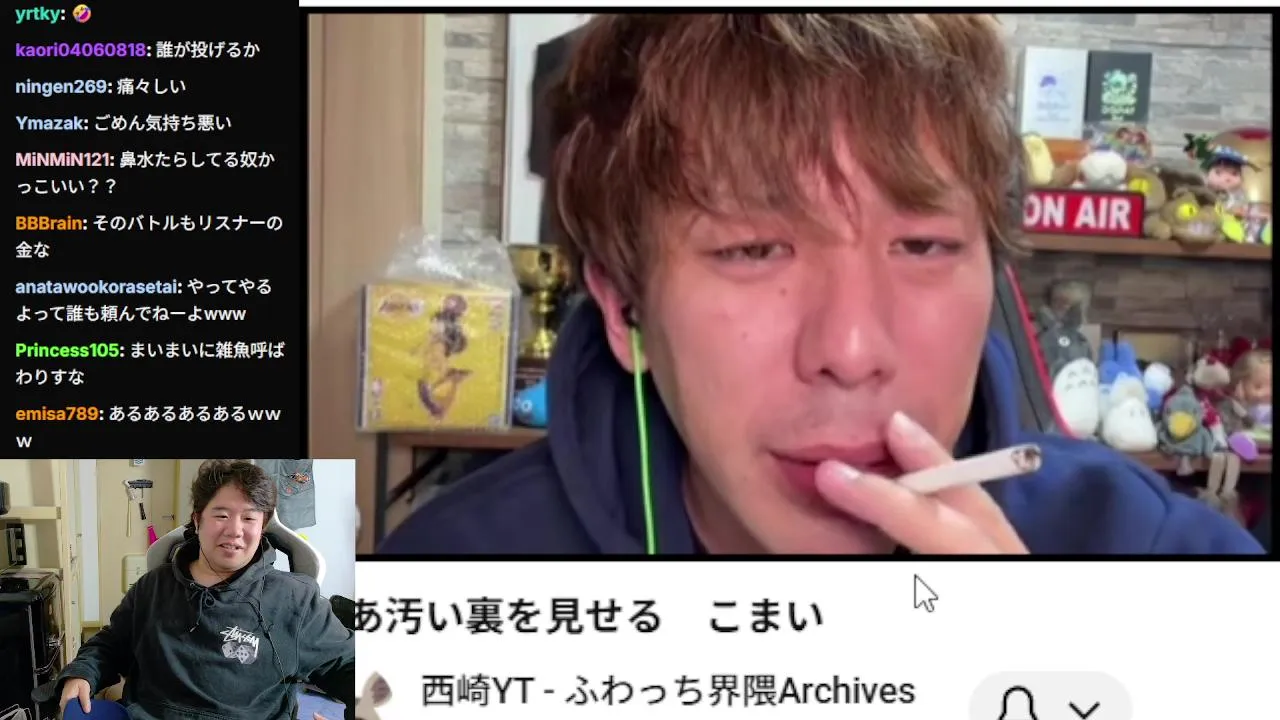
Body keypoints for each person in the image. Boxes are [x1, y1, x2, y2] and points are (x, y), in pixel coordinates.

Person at [380, 14, 1264, 555]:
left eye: (922, 245)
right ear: (623, 310)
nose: (850, 350)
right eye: (753, 250)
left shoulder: (1159, 558)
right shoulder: (455, 578)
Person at [51, 460, 355, 719]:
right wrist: (82, 673)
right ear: (198, 520)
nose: (234, 530)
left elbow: (349, 666)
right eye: (221, 515)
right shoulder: (153, 587)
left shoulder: (296, 600)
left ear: (262, 527)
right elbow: (111, 643)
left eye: (249, 518)